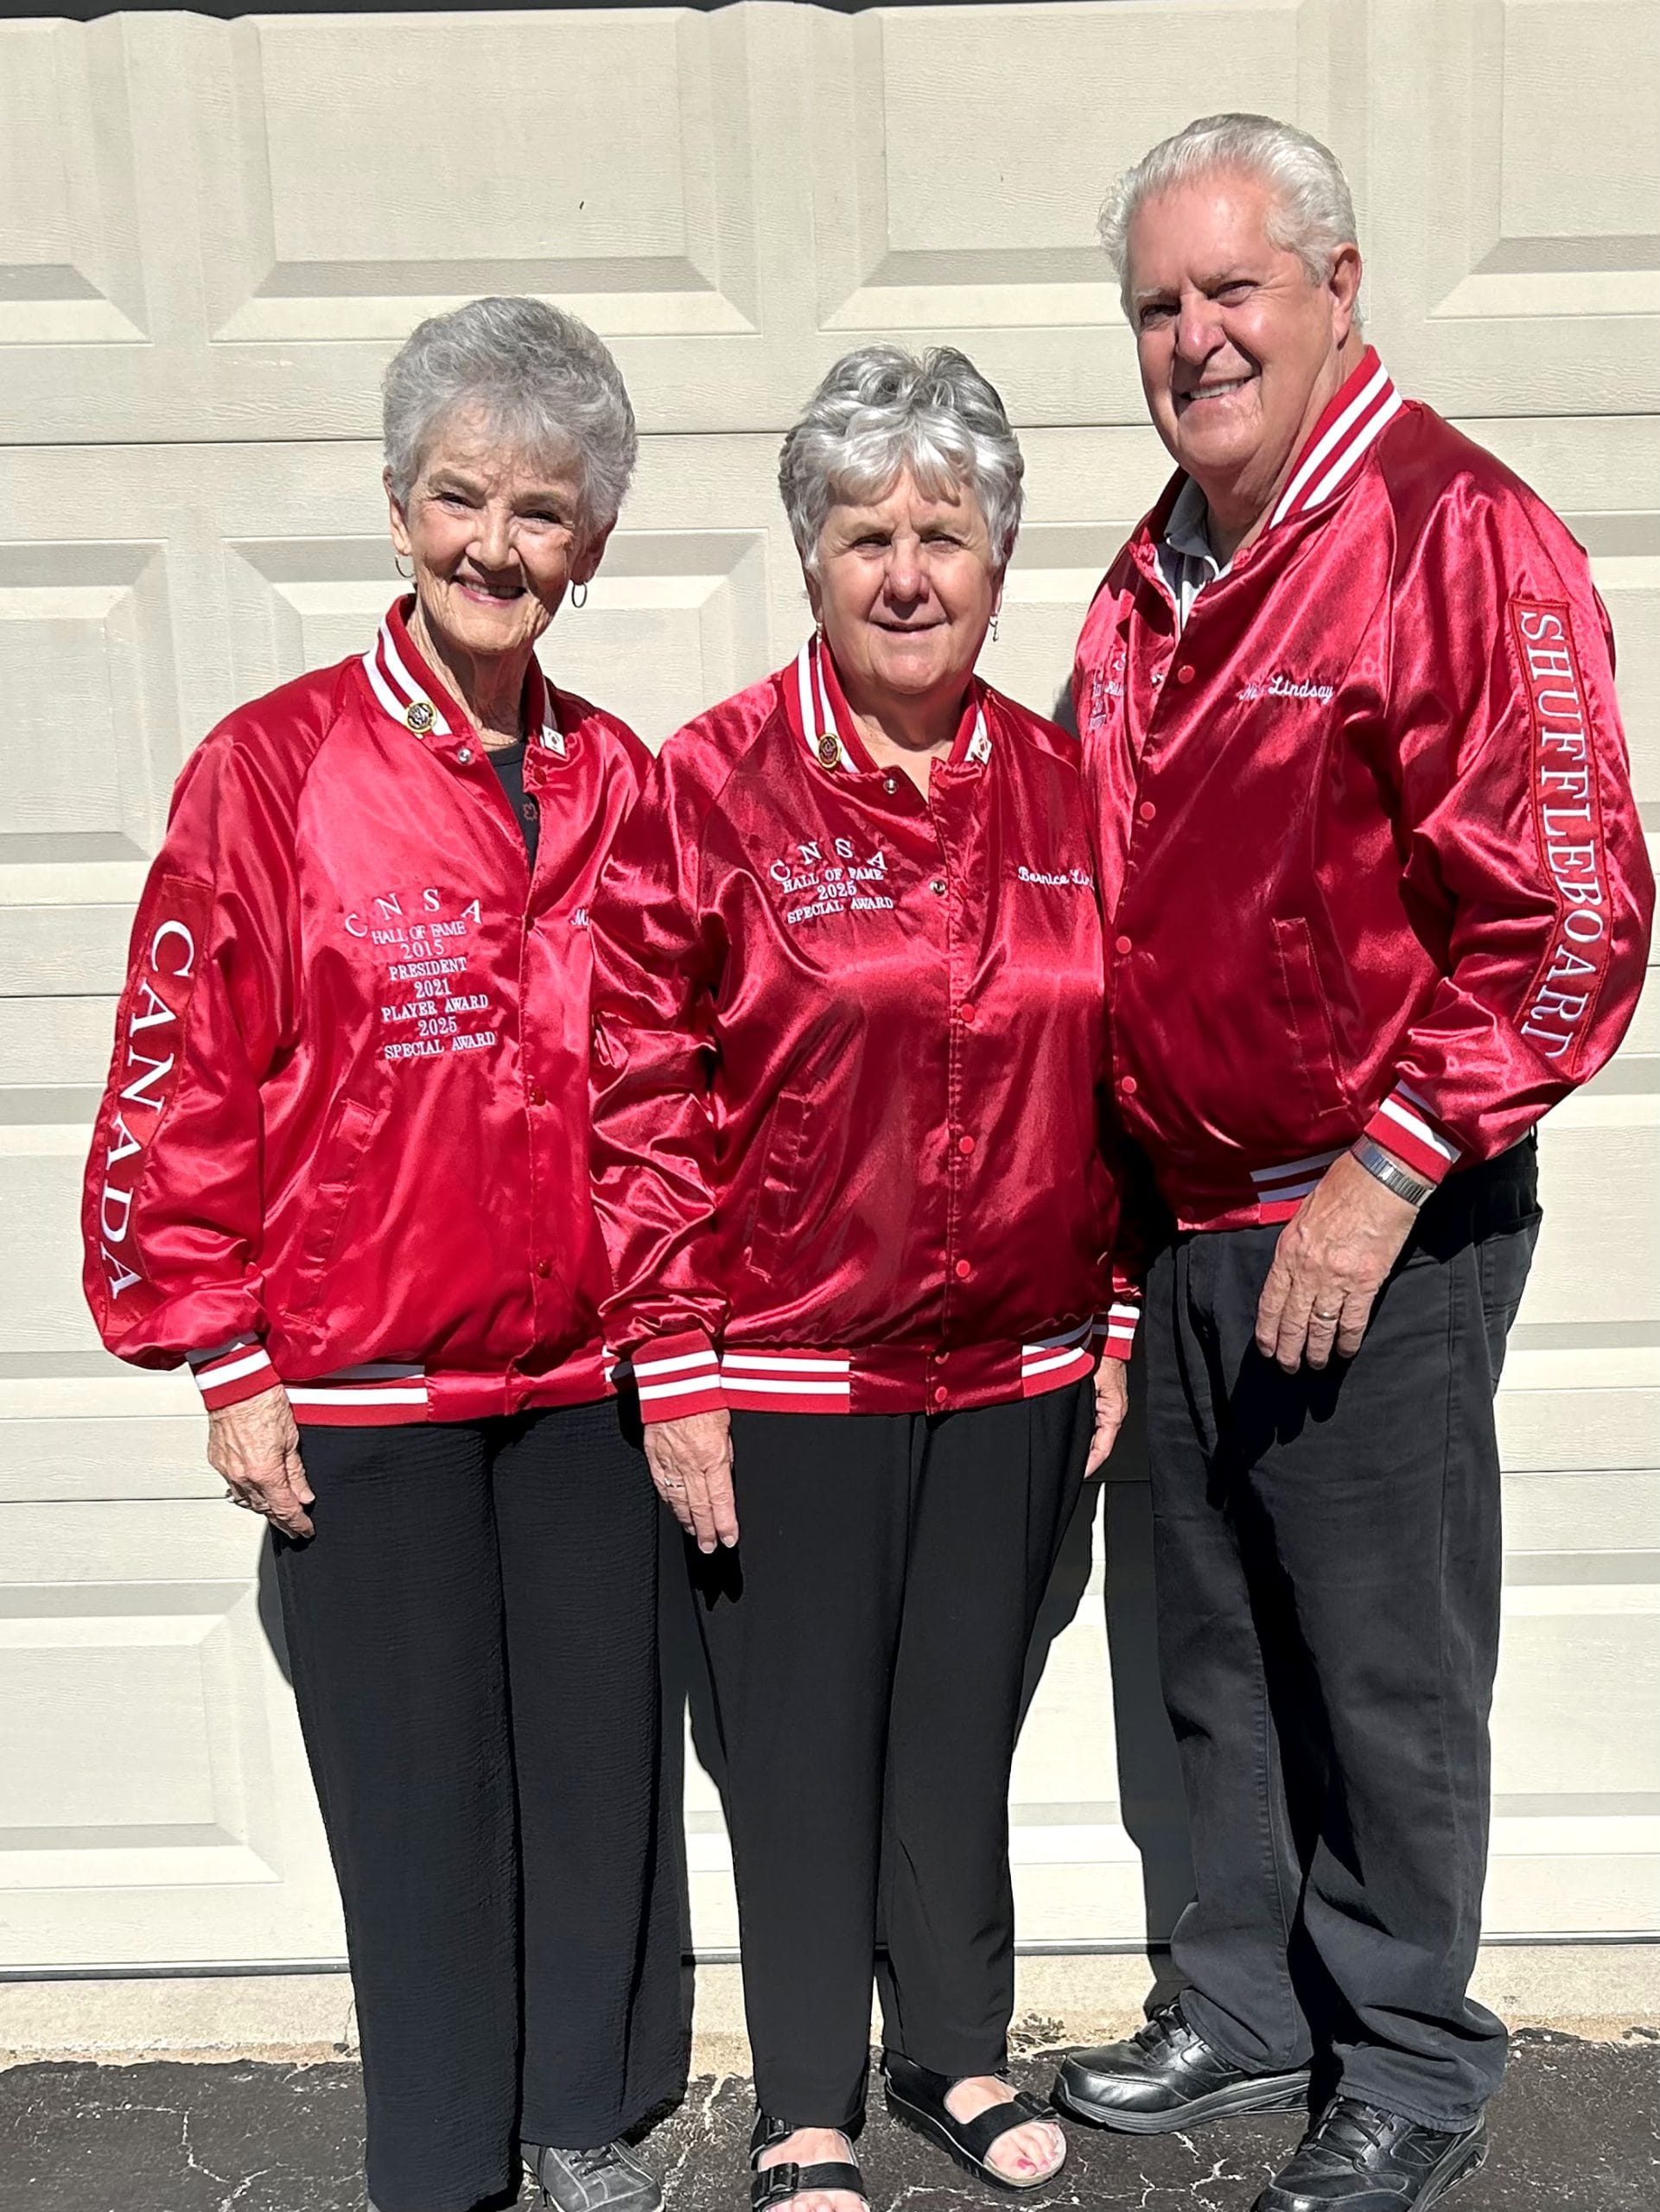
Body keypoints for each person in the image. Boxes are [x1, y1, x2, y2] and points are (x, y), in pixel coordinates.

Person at [1055, 115, 1654, 2212]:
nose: (1194, 338)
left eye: (1231, 288)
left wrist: (1384, 1172)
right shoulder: (1148, 578)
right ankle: (1242, 2001)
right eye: (1157, 304)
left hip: (1372, 1212)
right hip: (1186, 1219)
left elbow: (1570, 913)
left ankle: (1406, 2051)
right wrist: (1111, 1254)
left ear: (1336, 287)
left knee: (1382, 1663)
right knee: (1208, 1646)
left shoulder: (1450, 534)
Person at [80, 296, 686, 2212]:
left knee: (593, 1778)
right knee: (418, 1801)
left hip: (581, 1391)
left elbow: (670, 1092)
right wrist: (224, 1353)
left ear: (591, 543)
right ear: (398, 504)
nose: (494, 546)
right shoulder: (269, 771)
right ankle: (438, 2163)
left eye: (540, 511)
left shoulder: (622, 783)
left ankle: (581, 2117)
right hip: (364, 1389)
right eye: (459, 498)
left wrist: (682, 1334)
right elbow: (179, 1076)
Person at [588, 345, 1137, 2212]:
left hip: (1017, 1378)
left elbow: (1118, 1074)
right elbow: (639, 1090)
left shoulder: (1065, 790)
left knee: (959, 1735)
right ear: (809, 560)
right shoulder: (713, 787)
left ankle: (958, 2049)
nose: (906, 574)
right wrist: (674, 1362)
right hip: (792, 1377)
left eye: (942, 533)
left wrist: (1112, 1308)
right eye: (863, 536)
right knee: (801, 1751)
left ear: (998, 558)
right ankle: (806, 2100)